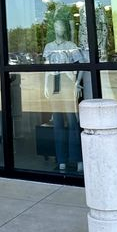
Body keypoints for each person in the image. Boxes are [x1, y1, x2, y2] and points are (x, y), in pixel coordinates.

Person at [42, 17, 87, 172]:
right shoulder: (49, 46)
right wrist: (45, 86)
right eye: (56, 26)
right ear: (54, 29)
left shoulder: (71, 46)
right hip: (54, 82)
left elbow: (81, 65)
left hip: (67, 81)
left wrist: (77, 82)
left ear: (64, 29)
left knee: (72, 120)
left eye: (61, 26)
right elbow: (46, 68)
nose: (59, 29)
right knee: (58, 122)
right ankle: (61, 159)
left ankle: (77, 157)